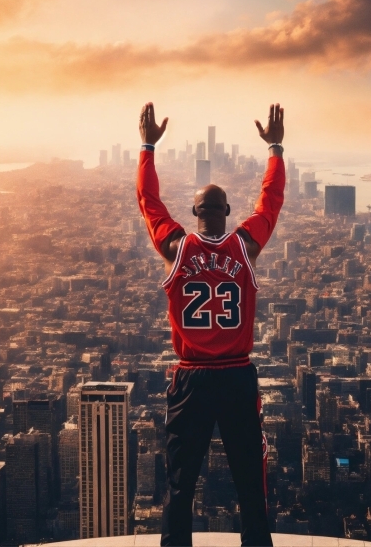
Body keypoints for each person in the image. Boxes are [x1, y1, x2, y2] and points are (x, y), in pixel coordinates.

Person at [137, 102, 285, 547]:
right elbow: (271, 201)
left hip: (191, 377)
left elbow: (149, 202)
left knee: (181, 483)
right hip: (238, 376)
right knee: (249, 484)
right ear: (226, 210)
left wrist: (147, 146)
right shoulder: (246, 246)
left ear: (196, 212)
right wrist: (275, 148)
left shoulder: (176, 247)